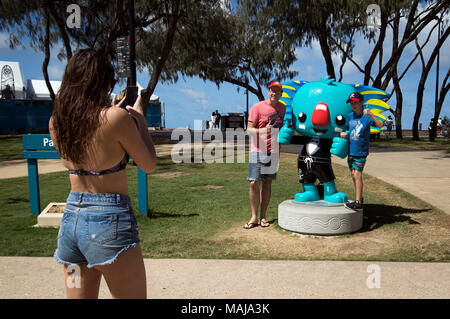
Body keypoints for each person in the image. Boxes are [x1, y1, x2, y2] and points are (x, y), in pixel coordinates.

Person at [50, 49, 156, 299]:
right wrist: (139, 121)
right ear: (104, 82)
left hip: (71, 224)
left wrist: (110, 112)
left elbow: (90, 130)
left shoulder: (56, 121)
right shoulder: (116, 118)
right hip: (109, 223)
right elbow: (149, 164)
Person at [244, 81, 285, 229]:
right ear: (268, 91)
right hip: (258, 150)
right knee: (254, 182)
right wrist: (264, 131)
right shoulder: (257, 107)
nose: (275, 93)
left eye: (278, 91)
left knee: (267, 183)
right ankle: (253, 217)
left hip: (274, 151)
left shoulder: (282, 108)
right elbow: (248, 130)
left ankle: (263, 217)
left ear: (281, 93)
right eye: (272, 90)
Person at [340, 92, 383, 211]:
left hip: (361, 152)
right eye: (351, 103)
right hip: (351, 151)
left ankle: (358, 202)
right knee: (353, 175)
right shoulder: (350, 116)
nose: (353, 105)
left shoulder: (367, 117)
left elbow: (380, 125)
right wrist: (344, 134)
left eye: (355, 102)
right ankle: (359, 198)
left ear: (361, 102)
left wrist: (371, 114)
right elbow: (349, 132)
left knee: (357, 175)